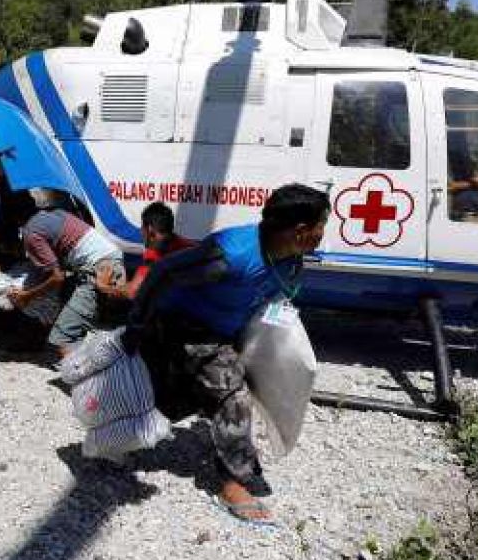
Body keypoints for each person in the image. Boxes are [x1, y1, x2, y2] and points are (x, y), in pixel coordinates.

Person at [124, 183, 329, 527]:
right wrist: (135, 326)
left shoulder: (291, 258)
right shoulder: (230, 255)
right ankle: (232, 483)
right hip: (184, 326)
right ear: (300, 231)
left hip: (229, 329)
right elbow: (164, 273)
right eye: (322, 224)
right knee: (233, 393)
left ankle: (127, 431)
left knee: (178, 398)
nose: (324, 233)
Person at [6, 193, 126, 355]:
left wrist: (27, 296)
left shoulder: (31, 232)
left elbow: (57, 277)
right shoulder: (54, 214)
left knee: (60, 338)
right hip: (108, 261)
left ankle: (91, 371)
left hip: (100, 269)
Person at [95, 202, 195, 302]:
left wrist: (104, 287)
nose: (141, 232)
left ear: (150, 230)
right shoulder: (190, 246)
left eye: (142, 227)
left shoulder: (155, 258)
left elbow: (132, 292)